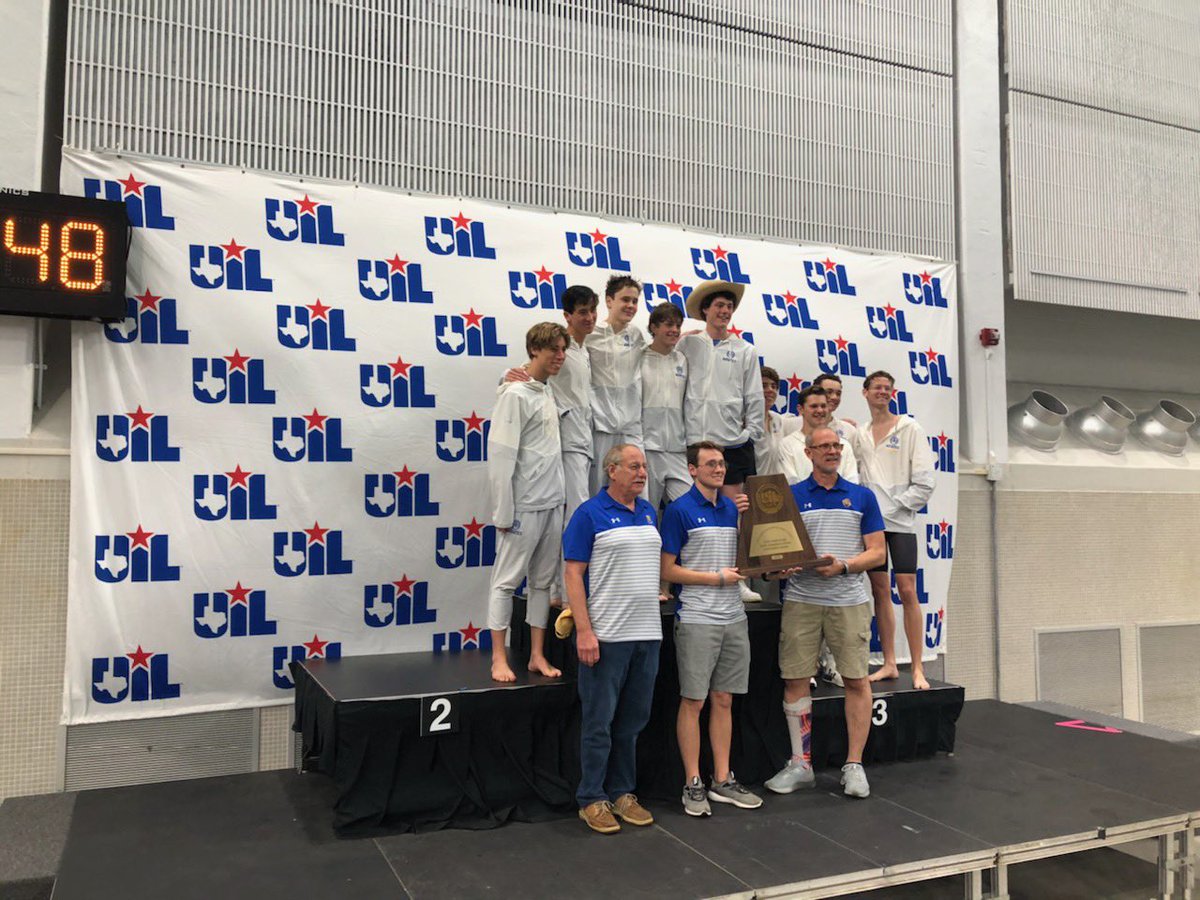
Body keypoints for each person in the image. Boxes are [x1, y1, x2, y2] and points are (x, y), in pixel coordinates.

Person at [763, 427, 886, 799]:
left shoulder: (862, 496)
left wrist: (845, 566)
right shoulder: (790, 496)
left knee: (856, 681)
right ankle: (801, 764)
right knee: (795, 680)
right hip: (801, 600)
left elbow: (878, 552)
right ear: (809, 452)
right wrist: (776, 569)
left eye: (836, 445)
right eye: (824, 446)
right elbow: (773, 556)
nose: (832, 451)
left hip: (849, 602)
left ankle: (854, 765)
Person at [564, 444, 663, 834]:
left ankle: (622, 793)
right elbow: (573, 574)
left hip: (647, 634)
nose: (642, 473)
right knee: (599, 722)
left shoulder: (649, 511)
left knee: (632, 722)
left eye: (644, 467)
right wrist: (585, 631)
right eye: (634, 466)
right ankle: (591, 798)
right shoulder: (589, 514)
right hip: (607, 635)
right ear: (612, 470)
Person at [660, 442, 762, 817]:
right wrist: (715, 579)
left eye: (721, 464)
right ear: (692, 470)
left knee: (724, 700)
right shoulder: (679, 510)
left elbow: (744, 561)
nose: (719, 469)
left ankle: (722, 778)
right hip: (697, 617)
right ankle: (693, 782)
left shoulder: (732, 509)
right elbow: (667, 570)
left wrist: (752, 526)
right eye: (710, 464)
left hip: (734, 617)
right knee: (694, 701)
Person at [486, 323, 569, 683]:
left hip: (552, 502)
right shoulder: (515, 394)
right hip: (524, 506)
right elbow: (500, 457)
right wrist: (504, 510)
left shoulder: (546, 390)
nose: (560, 356)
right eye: (553, 350)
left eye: (563, 350)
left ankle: (537, 655)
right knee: (505, 582)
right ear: (534, 350)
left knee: (542, 582)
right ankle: (498, 657)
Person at [677, 279, 764, 603]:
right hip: (692, 443)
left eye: (729, 307)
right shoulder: (688, 344)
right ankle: (688, 577)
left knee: (734, 514)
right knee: (690, 513)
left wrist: (751, 433)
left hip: (731, 445)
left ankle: (738, 578)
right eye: (719, 306)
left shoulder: (745, 350)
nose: (724, 311)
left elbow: (754, 396)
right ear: (705, 310)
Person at [855, 371, 936, 690]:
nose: (883, 392)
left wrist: (894, 508)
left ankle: (917, 667)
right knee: (879, 591)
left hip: (900, 523)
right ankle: (889, 663)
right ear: (865, 392)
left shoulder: (909, 428)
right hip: (871, 526)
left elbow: (925, 483)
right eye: (877, 387)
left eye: (887, 388)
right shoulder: (859, 434)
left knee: (907, 590)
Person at [586, 275, 645, 492]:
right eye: (625, 300)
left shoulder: (636, 335)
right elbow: (562, 352)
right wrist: (521, 371)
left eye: (635, 301)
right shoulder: (591, 333)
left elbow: (657, 353)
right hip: (601, 426)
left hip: (630, 426)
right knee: (598, 488)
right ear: (609, 301)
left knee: (638, 490)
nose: (631, 306)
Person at [642, 302, 691, 511]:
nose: (674, 330)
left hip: (677, 449)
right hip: (648, 448)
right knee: (648, 509)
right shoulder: (639, 357)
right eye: (669, 325)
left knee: (690, 506)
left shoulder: (682, 360)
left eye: (678, 325)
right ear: (653, 327)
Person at [779, 386, 858, 485]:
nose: (820, 410)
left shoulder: (844, 445)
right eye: (814, 406)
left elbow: (852, 482)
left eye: (823, 406)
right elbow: (790, 483)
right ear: (801, 409)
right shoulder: (787, 445)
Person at [755, 365, 804, 478]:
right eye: (764, 386)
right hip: (749, 484)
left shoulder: (778, 419)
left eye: (774, 386)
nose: (770, 390)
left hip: (774, 486)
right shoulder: (745, 421)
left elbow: (807, 421)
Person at [813, 373, 857, 442]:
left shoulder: (849, 430)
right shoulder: (797, 425)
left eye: (838, 394)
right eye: (829, 392)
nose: (834, 397)